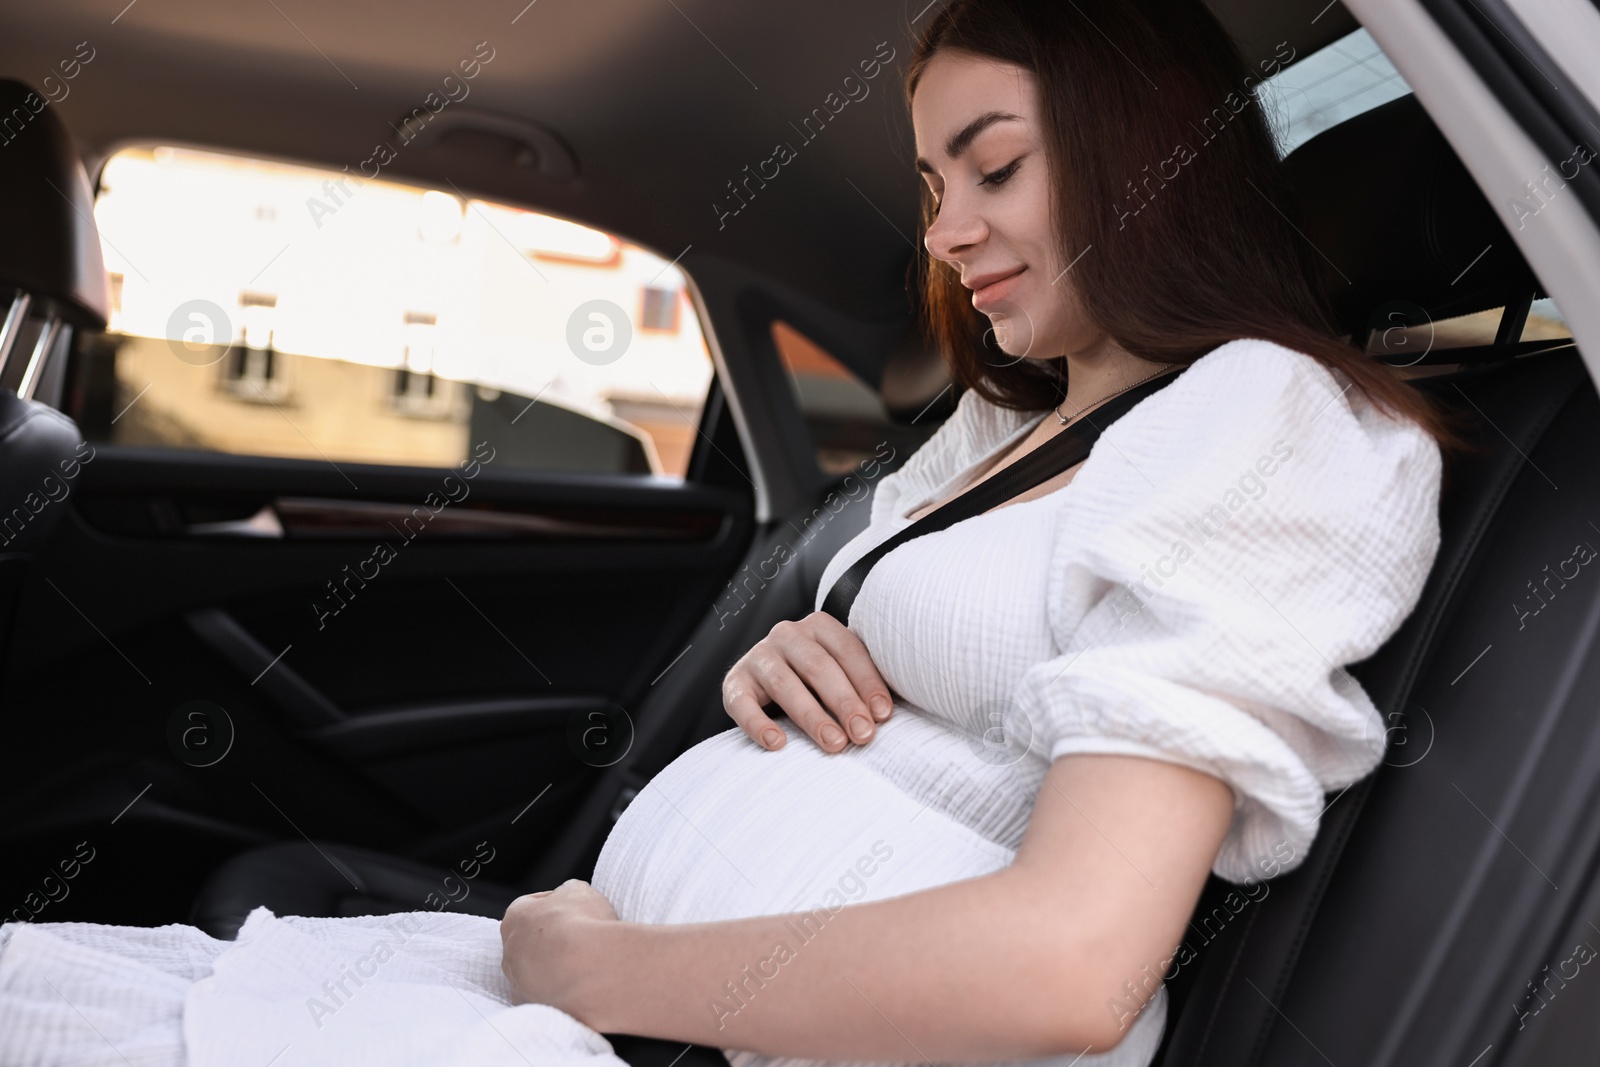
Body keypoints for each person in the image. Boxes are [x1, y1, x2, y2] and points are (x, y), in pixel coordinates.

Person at [0, 2, 1454, 1066]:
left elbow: (1072, 964)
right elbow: (957, 667)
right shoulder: (1002, 428)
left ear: (1156, 163)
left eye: (995, 166)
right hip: (632, 999)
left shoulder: (1267, 414)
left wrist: (606, 977)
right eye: (936, 186)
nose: (945, 232)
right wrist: (787, 654)